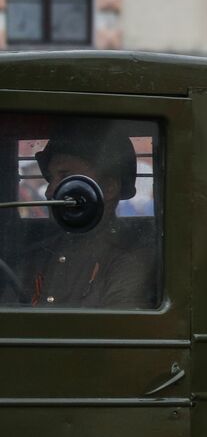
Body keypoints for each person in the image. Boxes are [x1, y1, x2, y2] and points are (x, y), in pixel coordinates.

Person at [23, 122, 158, 308]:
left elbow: (117, 328)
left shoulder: (130, 255)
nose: (49, 192)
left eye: (65, 176)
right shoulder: (43, 252)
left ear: (109, 188)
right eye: (50, 178)